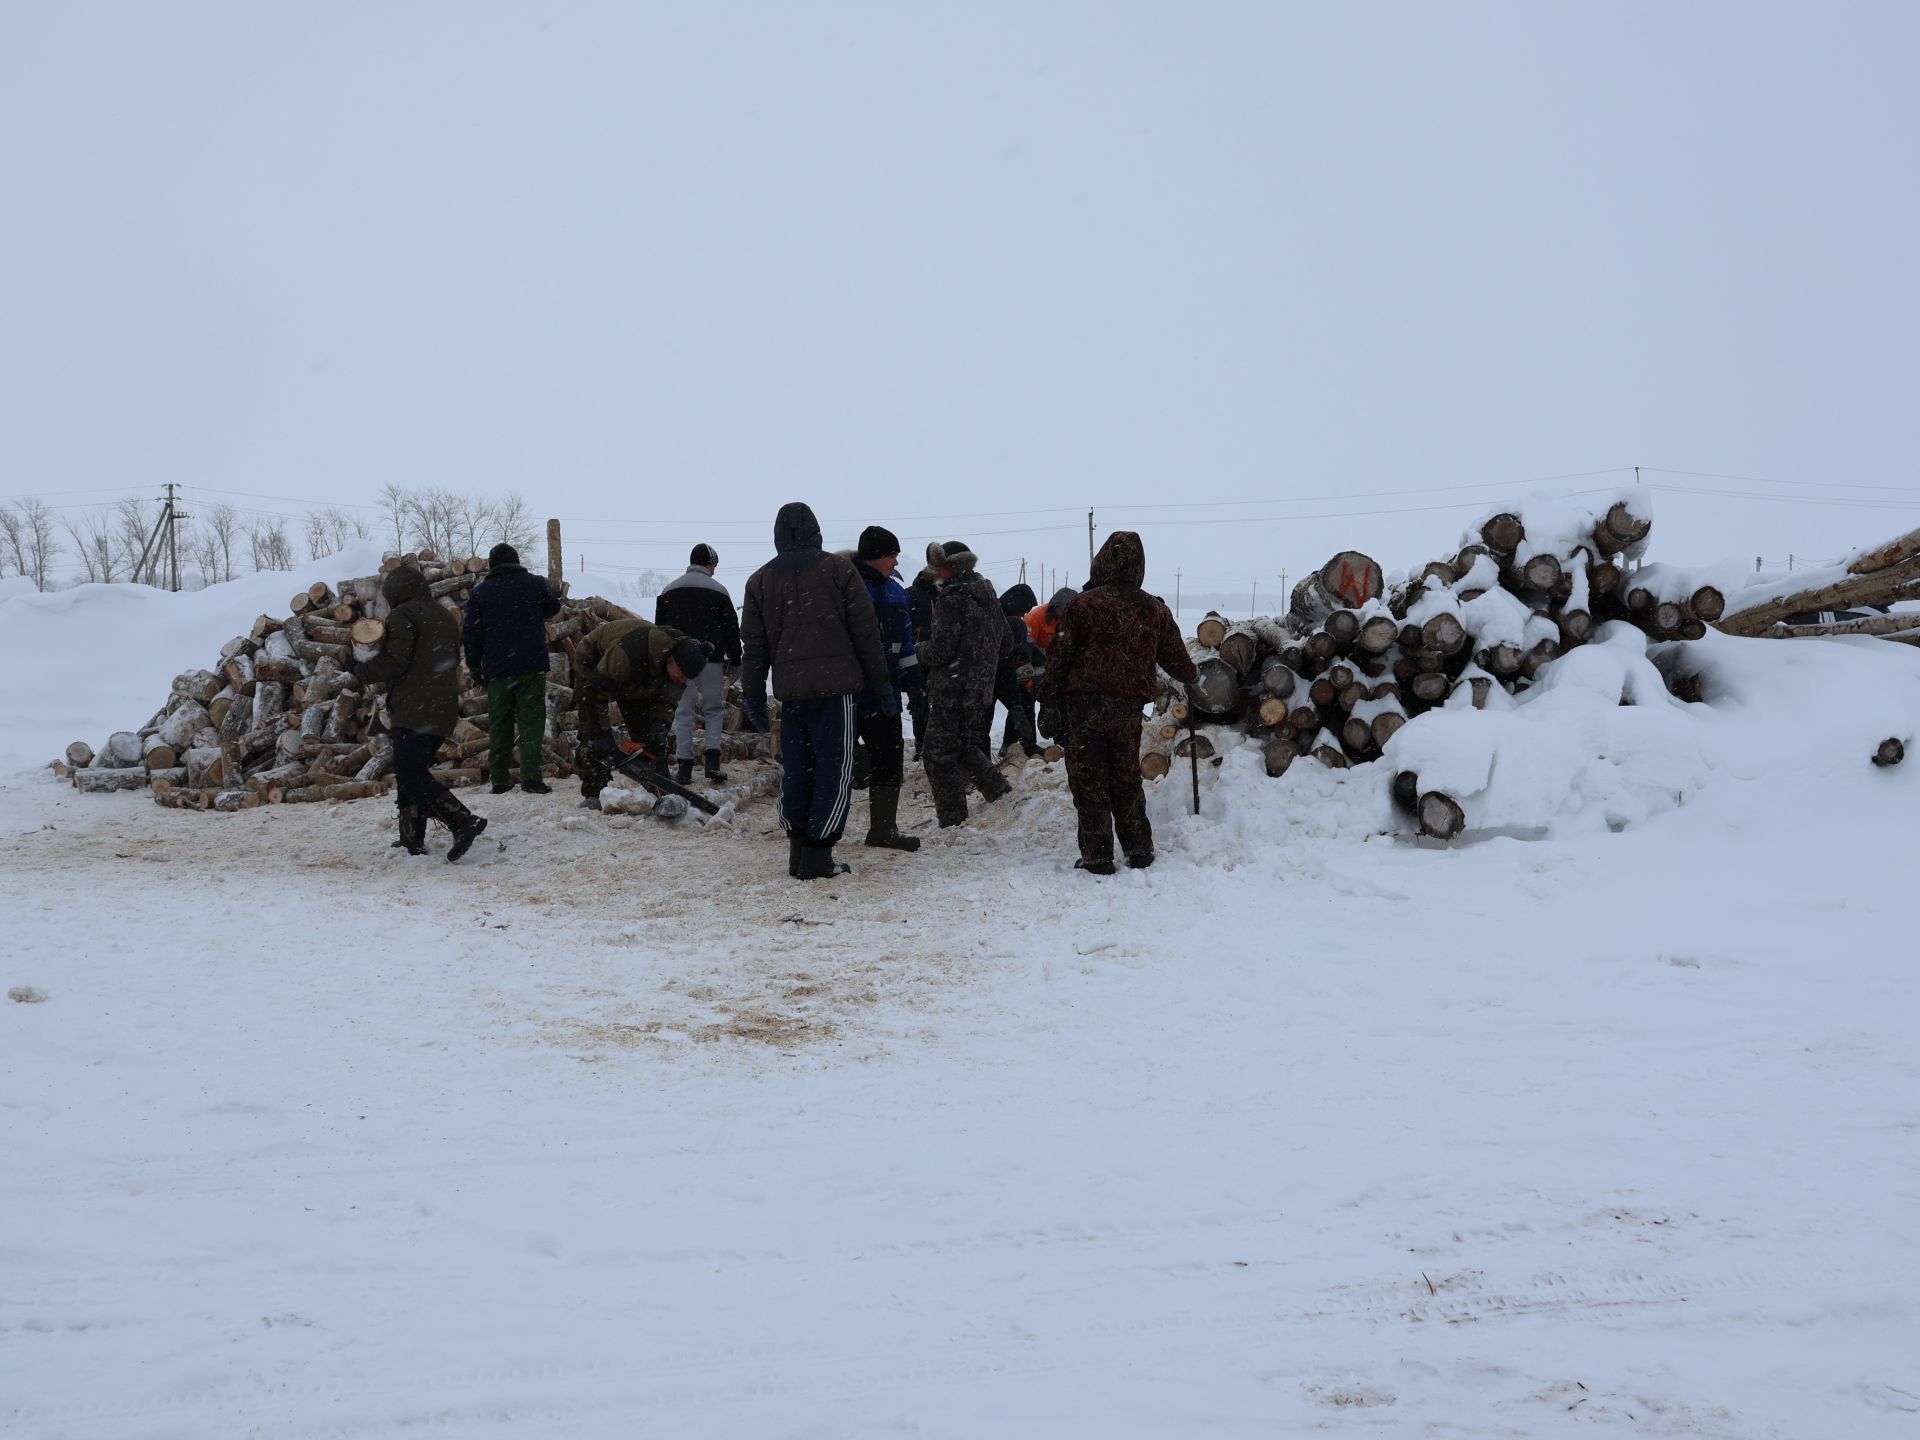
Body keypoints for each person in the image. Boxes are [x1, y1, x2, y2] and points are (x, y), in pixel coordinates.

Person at [740, 502, 891, 880]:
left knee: (797, 769)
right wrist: (881, 684)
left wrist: (754, 695)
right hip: (836, 691)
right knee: (833, 769)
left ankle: (798, 850)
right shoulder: (839, 570)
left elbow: (753, 648)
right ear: (815, 531)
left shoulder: (760, 581)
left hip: (791, 696)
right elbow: (866, 633)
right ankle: (818, 855)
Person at [1041, 532, 1196, 874]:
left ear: (1102, 561)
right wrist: (1194, 677)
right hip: (1128, 710)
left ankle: (1098, 855)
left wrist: (1048, 701)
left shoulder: (1083, 605)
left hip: (1085, 708)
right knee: (1126, 779)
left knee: (1089, 779)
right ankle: (1138, 848)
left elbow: (1059, 658)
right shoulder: (1153, 609)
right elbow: (1178, 661)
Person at [347, 564, 488, 861]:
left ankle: (462, 820)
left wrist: (358, 668)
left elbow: (394, 663)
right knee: (412, 770)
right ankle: (411, 838)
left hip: (415, 708)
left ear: (397, 591)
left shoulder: (403, 615)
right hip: (441, 708)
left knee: (410, 774)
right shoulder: (443, 616)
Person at [918, 539, 1014, 828]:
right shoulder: (987, 592)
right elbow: (1007, 642)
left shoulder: (952, 599)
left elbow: (940, 650)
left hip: (952, 689)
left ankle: (953, 820)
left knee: (936, 754)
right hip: (979, 690)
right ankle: (1000, 792)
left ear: (950, 567)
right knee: (963, 746)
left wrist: (918, 648)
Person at [571, 616, 709, 807]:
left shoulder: (674, 671)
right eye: (682, 674)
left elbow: (667, 701)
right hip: (594, 663)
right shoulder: (630, 652)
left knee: (649, 738)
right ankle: (595, 792)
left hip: (638, 677)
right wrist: (601, 734)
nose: (682, 679)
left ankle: (659, 789)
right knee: (592, 734)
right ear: (673, 660)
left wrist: (660, 725)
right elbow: (593, 693)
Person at [462, 542, 562, 795]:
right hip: (531, 665)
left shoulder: (481, 592)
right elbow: (554, 607)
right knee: (531, 721)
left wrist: (474, 666)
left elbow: (471, 633)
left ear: (492, 565)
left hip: (498, 668)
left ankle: (500, 779)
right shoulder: (535, 583)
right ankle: (531, 777)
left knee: (500, 723)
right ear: (517, 561)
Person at [850, 525, 925, 852]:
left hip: (886, 692)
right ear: (877, 556)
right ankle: (822, 827)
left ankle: (883, 828)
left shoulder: (896, 592)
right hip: (849, 691)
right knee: (837, 760)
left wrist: (915, 685)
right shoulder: (848, 587)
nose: (896, 561)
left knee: (890, 756)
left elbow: (905, 642)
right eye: (892, 554)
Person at [654, 543, 743, 785]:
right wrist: (736, 659)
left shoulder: (669, 591)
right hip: (711, 662)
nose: (715, 570)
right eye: (714, 565)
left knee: (684, 713)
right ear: (709, 564)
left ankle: (684, 767)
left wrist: (664, 661)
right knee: (714, 710)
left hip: (680, 663)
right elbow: (731, 630)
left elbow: (659, 630)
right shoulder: (720, 591)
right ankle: (712, 763)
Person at [993, 582, 1042, 757]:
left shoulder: (1016, 622)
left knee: (1023, 703)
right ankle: (984, 752)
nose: (1024, 614)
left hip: (1009, 668)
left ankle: (1024, 744)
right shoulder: (994, 616)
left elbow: (1024, 648)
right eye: (1023, 609)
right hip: (990, 673)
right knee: (985, 713)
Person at [1024, 586, 1078, 742]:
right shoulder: (1034, 619)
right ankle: (1023, 742)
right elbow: (1024, 651)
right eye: (1063, 609)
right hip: (1035, 660)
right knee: (1026, 701)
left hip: (1056, 663)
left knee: (1062, 699)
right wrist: (1027, 680)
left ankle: (1061, 740)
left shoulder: (1074, 619)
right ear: (1056, 607)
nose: (1065, 614)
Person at [905, 564, 939, 760]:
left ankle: (922, 745)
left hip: (914, 656)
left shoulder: (908, 594)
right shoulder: (941, 597)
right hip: (935, 658)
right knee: (931, 704)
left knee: (919, 702)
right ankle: (928, 745)